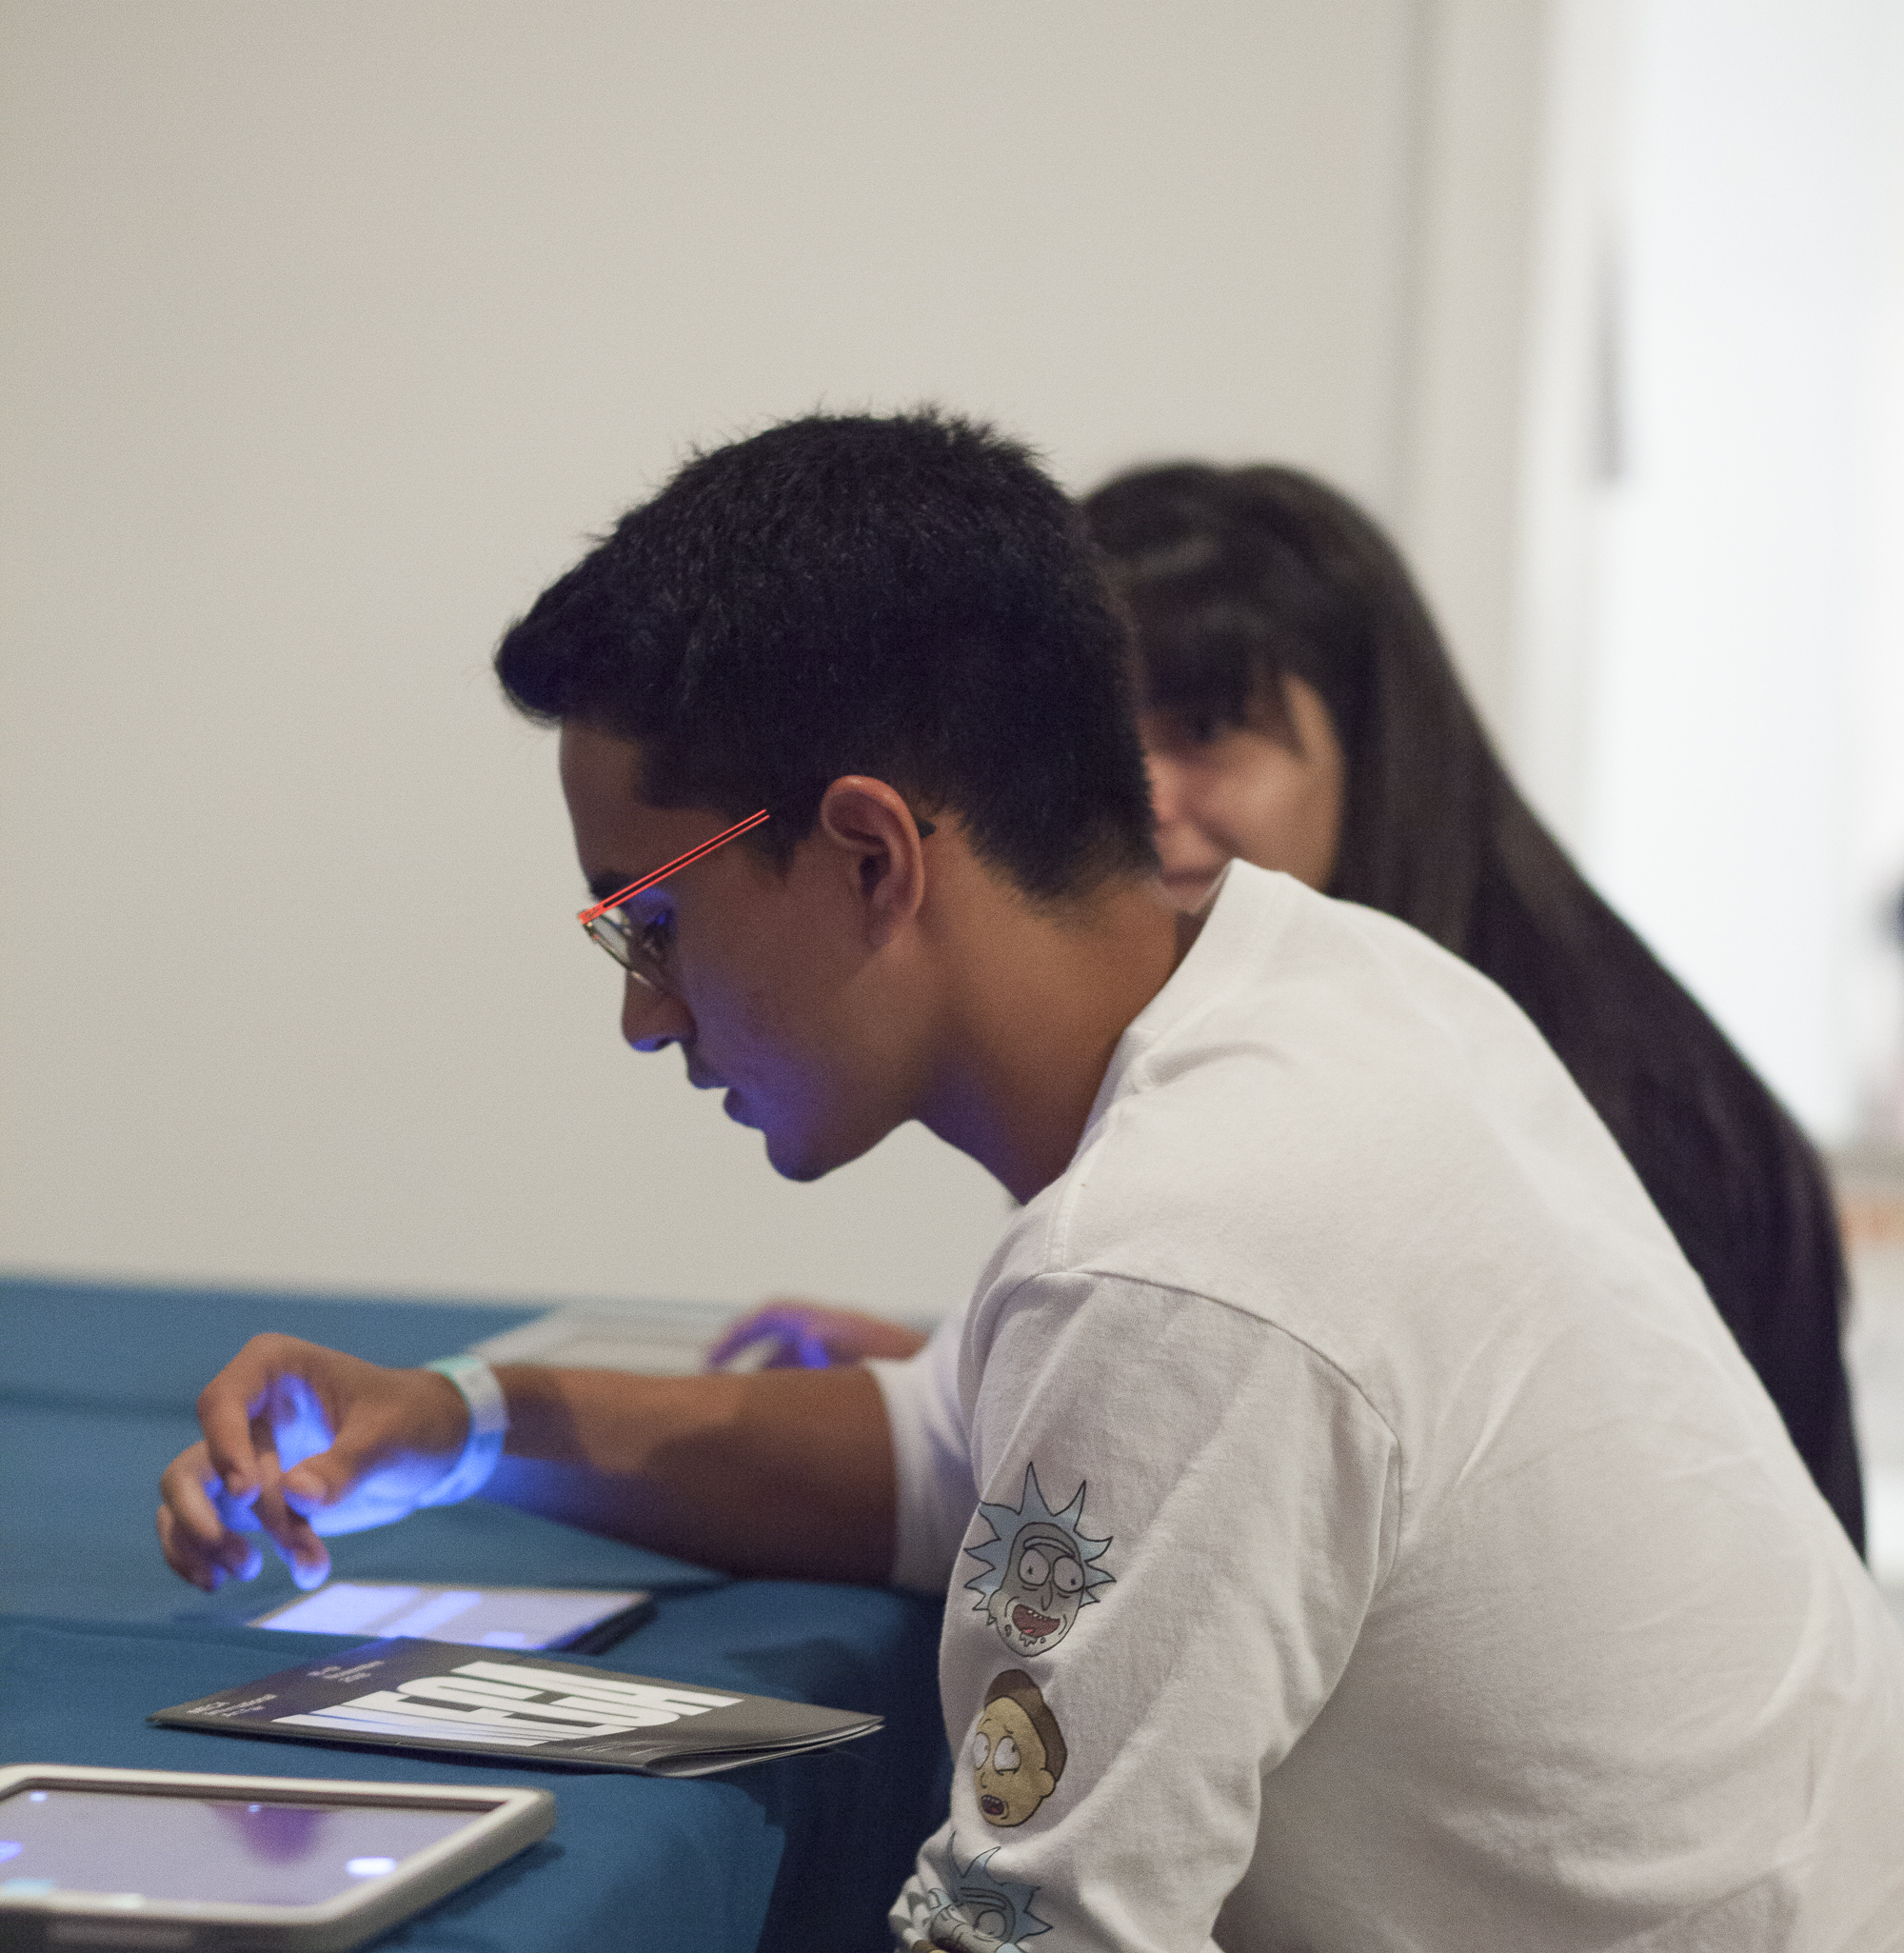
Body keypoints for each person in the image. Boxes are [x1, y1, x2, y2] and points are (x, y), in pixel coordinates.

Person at [155, 411, 1904, 1953]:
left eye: (646, 921)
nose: (645, 1012)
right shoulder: (1317, 994)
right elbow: (938, 1454)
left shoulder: (1192, 1253)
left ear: (870, 850)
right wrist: (461, 1417)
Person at [713, 462, 1866, 1555]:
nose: (1137, 797)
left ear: (1372, 749)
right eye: (1098, 739)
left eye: (1204, 733)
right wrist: (993, 1380)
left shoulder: (1571, 1092)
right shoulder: (1326, 1033)